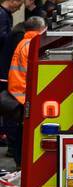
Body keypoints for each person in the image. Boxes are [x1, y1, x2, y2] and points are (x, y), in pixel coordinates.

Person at [3, 16, 46, 167]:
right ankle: (21, 162)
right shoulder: (33, 45)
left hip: (19, 92)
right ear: (40, 29)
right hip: (25, 93)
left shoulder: (24, 42)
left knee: (21, 130)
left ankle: (20, 161)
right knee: (24, 132)